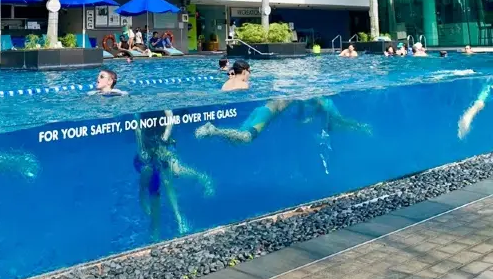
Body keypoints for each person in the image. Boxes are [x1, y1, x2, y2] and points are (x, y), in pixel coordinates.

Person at [134, 109, 213, 239]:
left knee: (172, 174)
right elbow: (137, 128)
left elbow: (170, 115)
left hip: (164, 141)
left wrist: (165, 136)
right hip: (148, 143)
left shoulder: (158, 96)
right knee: (150, 176)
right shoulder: (139, 104)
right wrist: (141, 148)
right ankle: (144, 200)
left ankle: (200, 178)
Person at [195, 97, 370, 144]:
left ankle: (215, 132)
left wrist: (304, 117)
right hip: (266, 114)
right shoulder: (312, 98)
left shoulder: (299, 96)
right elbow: (313, 104)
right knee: (246, 138)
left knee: (238, 140)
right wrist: (306, 118)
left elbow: (306, 106)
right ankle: (213, 130)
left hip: (262, 111)